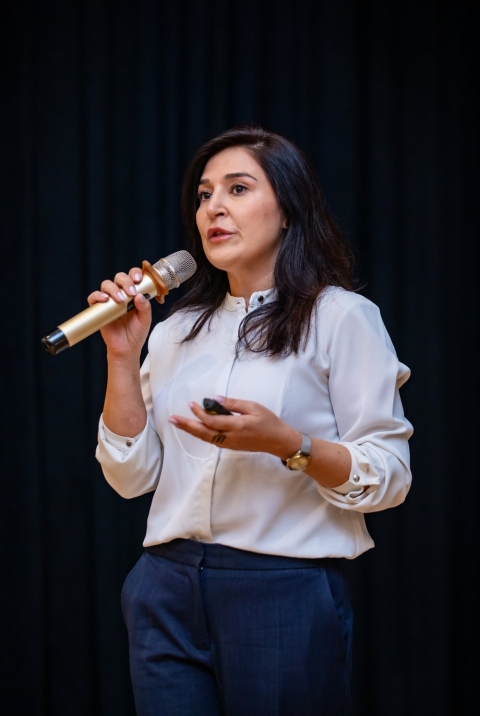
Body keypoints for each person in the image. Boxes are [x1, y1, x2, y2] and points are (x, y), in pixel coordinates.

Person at [92, 125, 413, 716]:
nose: (213, 207)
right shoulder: (173, 331)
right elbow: (131, 477)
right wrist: (121, 356)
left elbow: (389, 476)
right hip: (164, 586)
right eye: (204, 194)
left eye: (237, 189)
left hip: (280, 591)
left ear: (288, 209)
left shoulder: (341, 317)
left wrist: (288, 444)